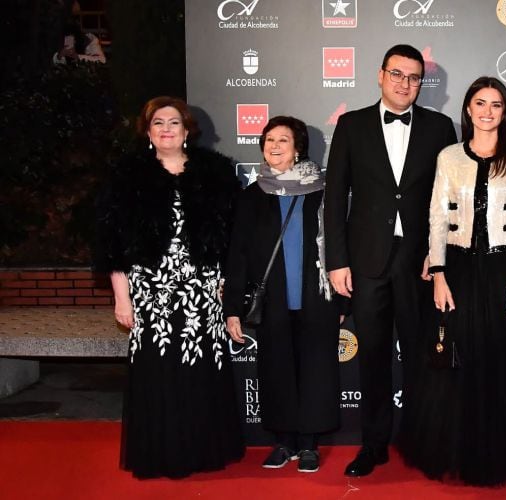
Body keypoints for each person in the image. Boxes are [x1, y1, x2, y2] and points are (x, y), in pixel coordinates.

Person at [397, 76, 506, 486]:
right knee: (454, 362)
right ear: (468, 109)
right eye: (480, 103)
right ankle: (455, 450)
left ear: (505, 113)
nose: (487, 112)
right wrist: (438, 272)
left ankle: (502, 453)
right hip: (458, 269)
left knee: (505, 364)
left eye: (496, 105)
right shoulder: (449, 156)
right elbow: (436, 216)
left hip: (505, 270)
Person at [324, 44, 457, 477]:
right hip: (366, 260)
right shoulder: (351, 124)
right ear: (380, 75)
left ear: (423, 83)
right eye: (397, 74)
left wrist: (438, 258)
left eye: (414, 77)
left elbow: (448, 201)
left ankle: (426, 441)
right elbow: (334, 197)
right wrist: (337, 261)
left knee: (423, 356)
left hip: (419, 261)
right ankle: (373, 444)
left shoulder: (440, 127)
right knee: (373, 357)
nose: (405, 84)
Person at [94, 96, 243, 478]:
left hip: (203, 290)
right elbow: (114, 245)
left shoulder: (216, 173)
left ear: (187, 129)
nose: (166, 129)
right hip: (150, 291)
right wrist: (121, 298)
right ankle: (162, 452)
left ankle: (201, 450)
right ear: (147, 131)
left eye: (173, 122)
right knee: (158, 370)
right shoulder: (127, 177)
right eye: (158, 122)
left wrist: (227, 282)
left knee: (200, 369)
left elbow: (233, 237)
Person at [223, 116, 345, 473]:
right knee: (276, 371)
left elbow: (339, 246)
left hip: (316, 297)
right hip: (272, 300)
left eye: (283, 140)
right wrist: (233, 307)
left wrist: (342, 298)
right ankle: (284, 441)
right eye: (269, 140)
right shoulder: (252, 195)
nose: (274, 146)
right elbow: (238, 254)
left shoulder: (321, 191)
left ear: (298, 148)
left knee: (316, 372)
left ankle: (309, 445)